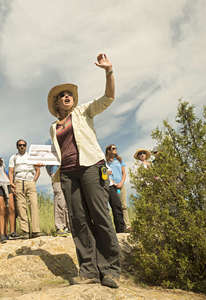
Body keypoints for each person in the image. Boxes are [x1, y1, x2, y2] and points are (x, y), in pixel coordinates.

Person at [47, 53, 120, 288]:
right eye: (62, 96)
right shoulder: (53, 127)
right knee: (78, 221)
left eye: (69, 95)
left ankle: (109, 270)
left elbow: (109, 97)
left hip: (92, 167)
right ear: (57, 104)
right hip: (68, 174)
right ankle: (88, 270)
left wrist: (108, 71)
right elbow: (56, 152)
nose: (66, 97)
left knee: (100, 216)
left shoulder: (84, 111)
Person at [9, 139, 42, 239]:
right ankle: (25, 232)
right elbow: (11, 171)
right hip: (18, 182)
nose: (22, 146)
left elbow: (37, 170)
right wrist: (11, 183)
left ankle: (36, 231)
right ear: (17, 146)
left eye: (23, 145)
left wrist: (33, 181)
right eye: (20, 145)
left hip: (30, 181)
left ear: (26, 146)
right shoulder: (13, 157)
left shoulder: (31, 156)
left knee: (34, 205)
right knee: (21, 207)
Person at [105, 144, 130, 231]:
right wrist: (114, 183)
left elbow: (124, 172)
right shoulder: (106, 162)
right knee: (116, 205)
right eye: (113, 148)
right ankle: (119, 227)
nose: (115, 150)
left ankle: (127, 225)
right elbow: (107, 173)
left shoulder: (119, 160)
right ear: (108, 150)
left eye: (116, 148)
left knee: (123, 205)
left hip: (121, 186)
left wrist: (121, 183)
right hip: (113, 186)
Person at [45, 164, 70, 236]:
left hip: (67, 170)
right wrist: (52, 173)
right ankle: (60, 227)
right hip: (55, 171)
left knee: (68, 199)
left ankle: (69, 226)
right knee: (59, 199)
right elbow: (47, 164)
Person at [105, 160, 126, 233]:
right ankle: (108, 231)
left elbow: (110, 171)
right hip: (99, 188)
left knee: (117, 206)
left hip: (111, 186)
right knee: (103, 209)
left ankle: (121, 230)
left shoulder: (102, 161)